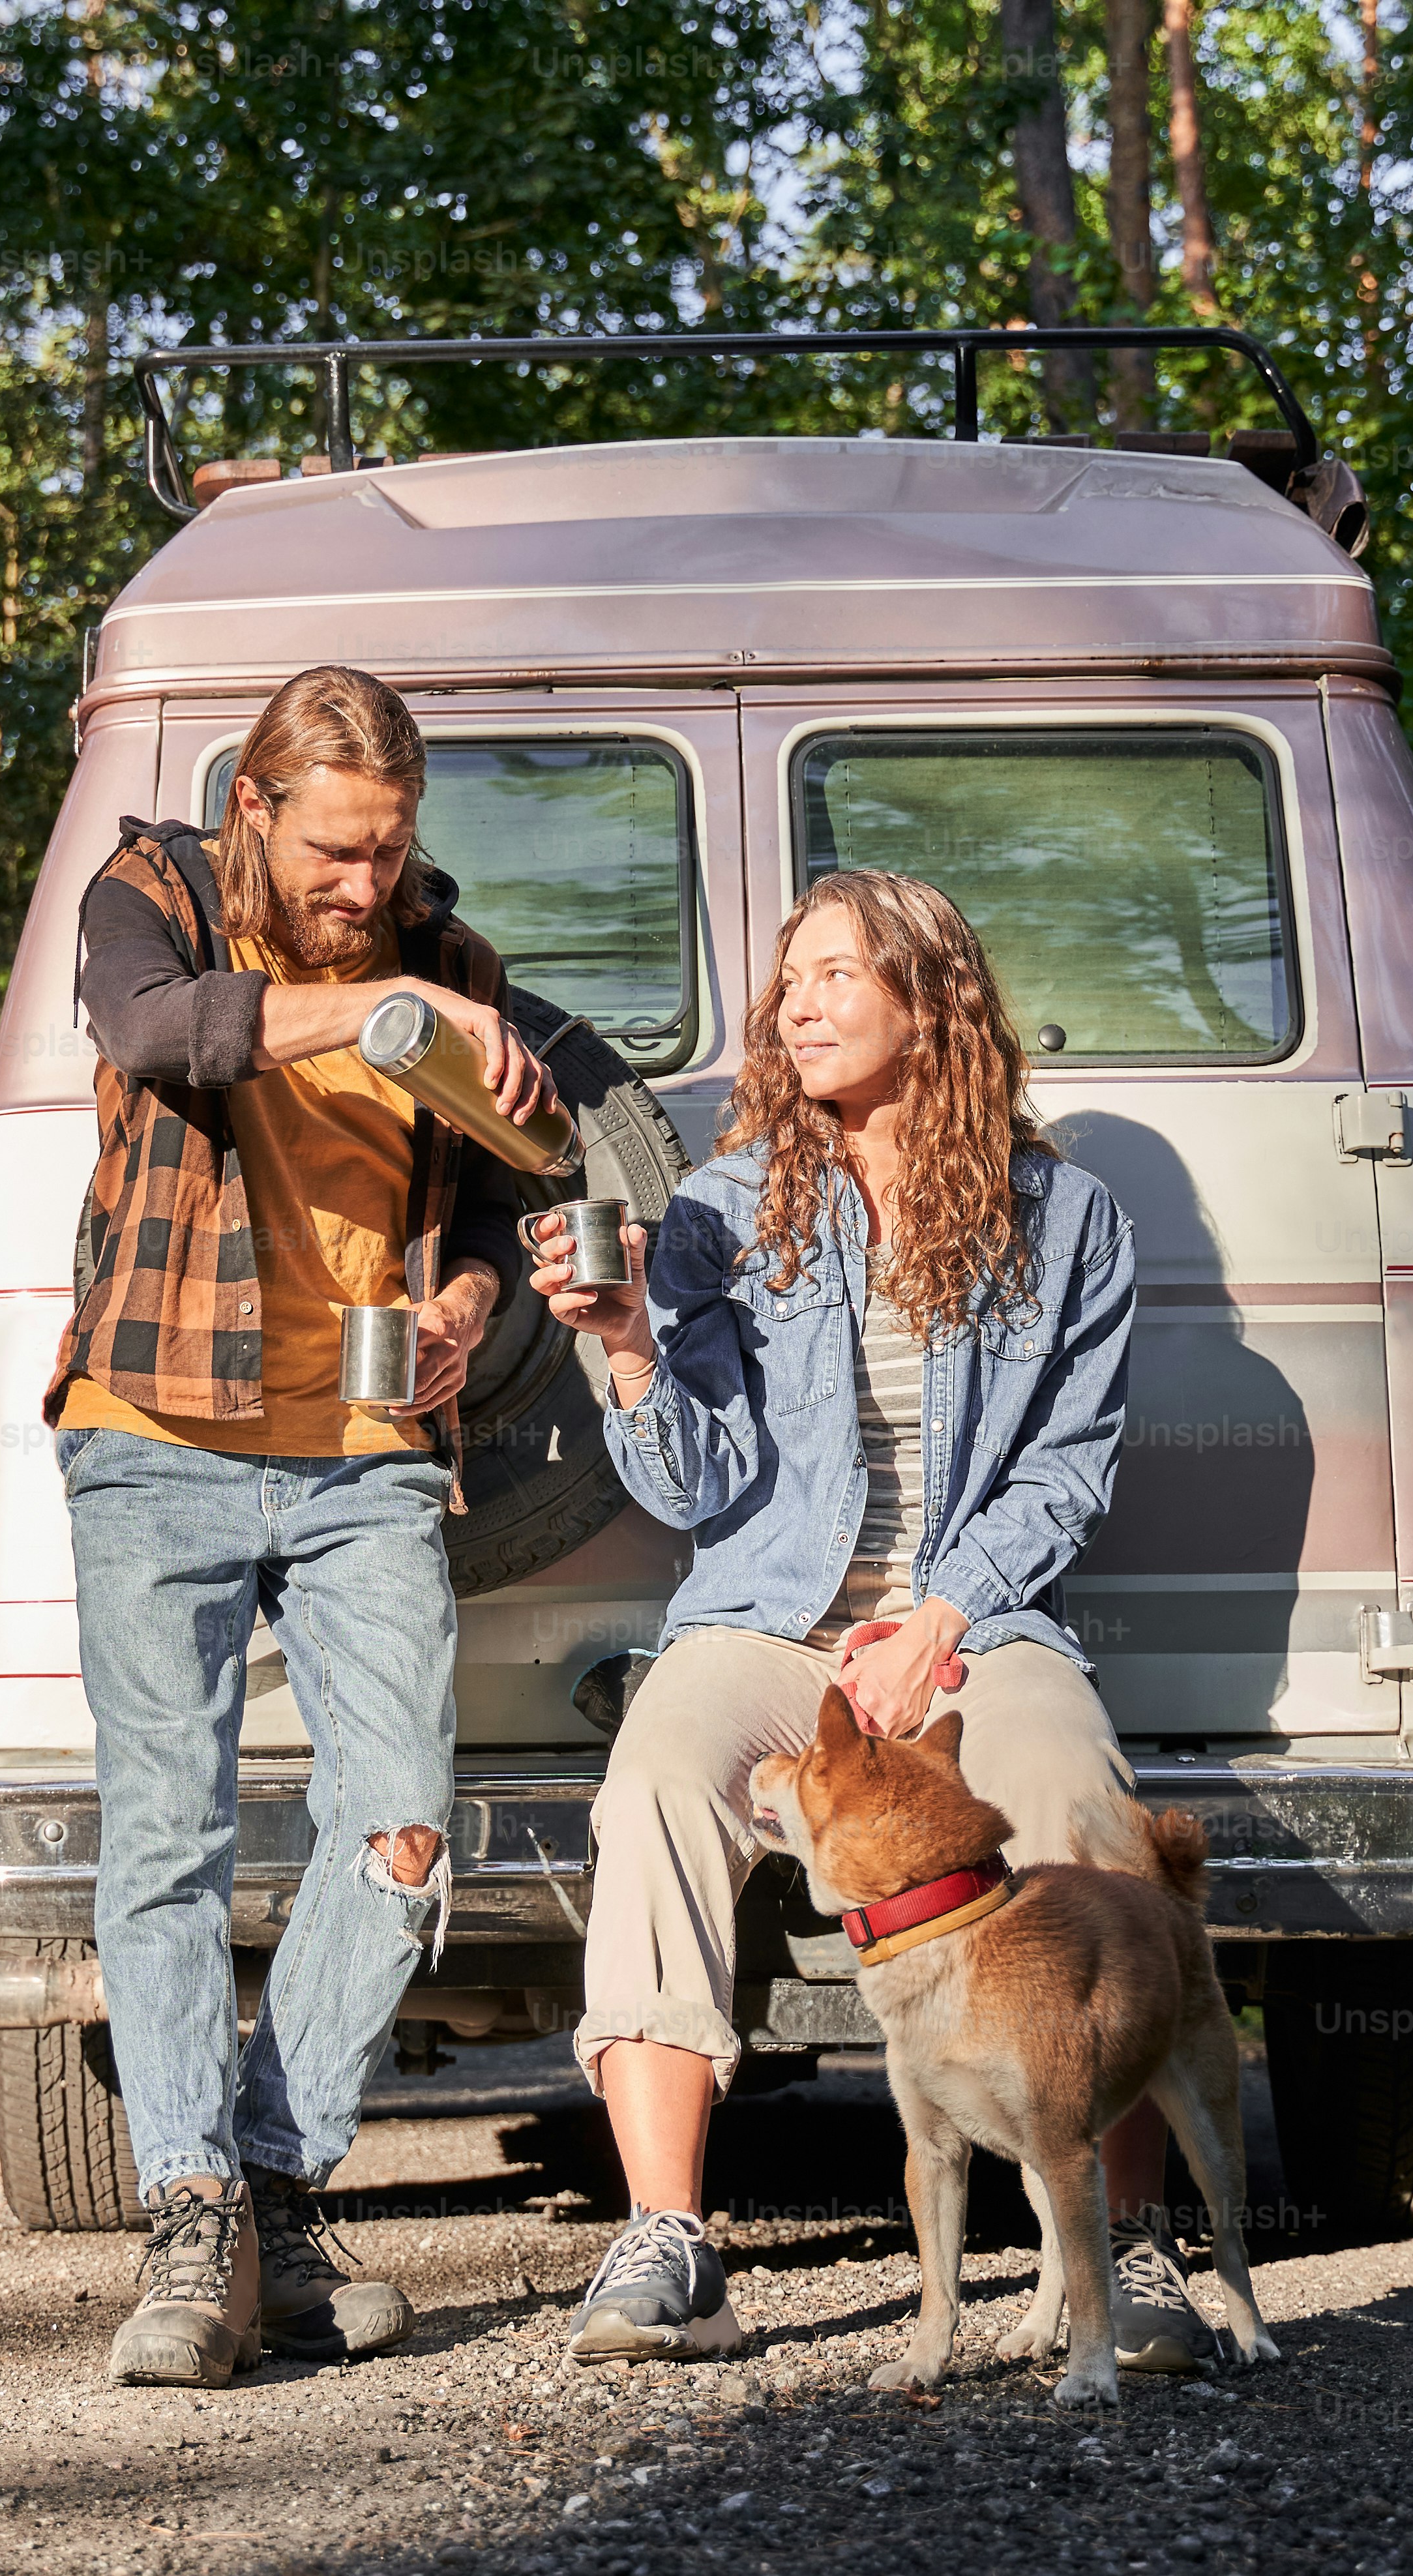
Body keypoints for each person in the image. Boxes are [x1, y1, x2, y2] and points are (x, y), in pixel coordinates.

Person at [528, 868, 1214, 2374]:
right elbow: (699, 1478)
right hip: (770, 1615)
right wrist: (631, 1347)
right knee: (655, 1781)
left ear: (931, 996)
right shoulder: (720, 1208)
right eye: (792, 980)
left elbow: (1070, 1461)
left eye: (839, 973)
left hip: (976, 1618)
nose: (799, 1002)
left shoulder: (1066, 1216)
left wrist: (944, 1613)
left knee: (1083, 1802)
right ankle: (668, 2241)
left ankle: (1133, 2240)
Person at [46, 663, 555, 2388]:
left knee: (404, 1825)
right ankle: (193, 2218)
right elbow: (160, 1035)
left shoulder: (454, 962)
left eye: (392, 852)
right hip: (156, 1425)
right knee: (170, 1839)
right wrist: (379, 1004)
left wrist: (475, 1293)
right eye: (338, 854)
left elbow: (493, 1190)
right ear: (258, 804)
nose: (366, 889)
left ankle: (269, 2181)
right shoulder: (157, 891)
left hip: (370, 1443)